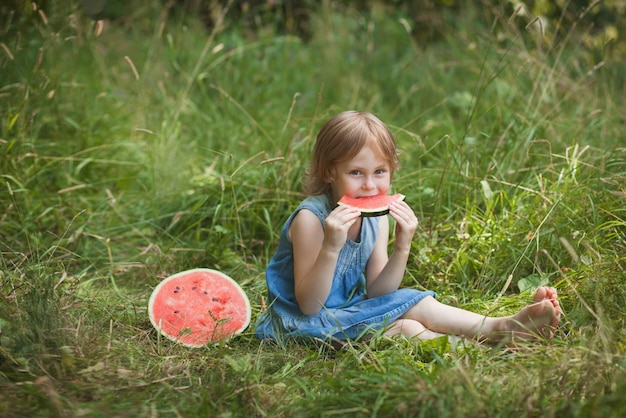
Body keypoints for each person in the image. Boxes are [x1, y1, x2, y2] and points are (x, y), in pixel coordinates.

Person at [255, 110, 561, 346]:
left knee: (418, 303)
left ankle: (502, 328)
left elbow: (379, 292)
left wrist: (402, 246)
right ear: (330, 171)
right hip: (299, 324)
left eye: (379, 172)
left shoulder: (377, 218)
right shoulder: (310, 220)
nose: (370, 185)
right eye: (356, 172)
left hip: (350, 313)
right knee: (407, 328)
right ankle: (496, 344)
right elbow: (309, 306)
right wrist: (331, 247)